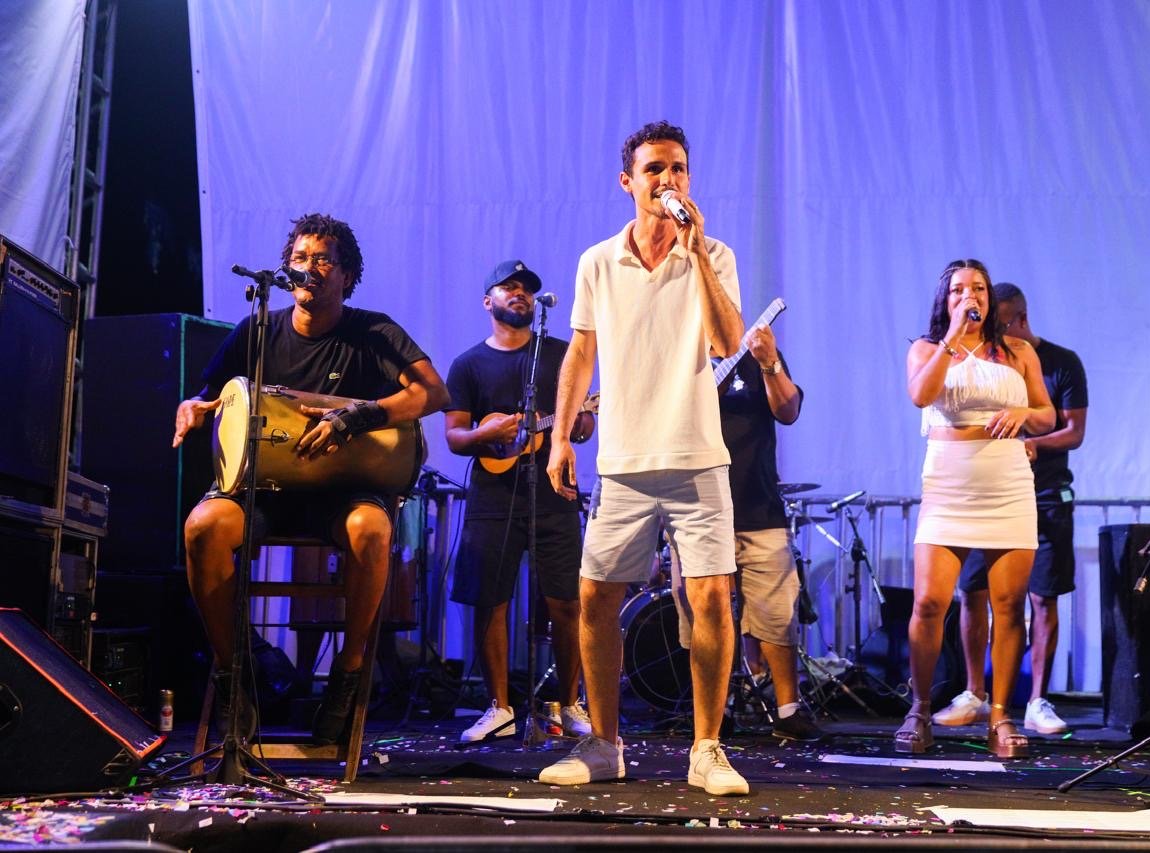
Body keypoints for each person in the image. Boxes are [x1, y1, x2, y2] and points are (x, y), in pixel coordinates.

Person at [172, 213, 450, 745]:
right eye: (300, 258)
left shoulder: (373, 332)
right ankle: (234, 678)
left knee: (372, 530)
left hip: (343, 491)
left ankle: (347, 676)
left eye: (323, 259)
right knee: (203, 527)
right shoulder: (258, 329)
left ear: (348, 275)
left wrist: (359, 416)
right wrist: (192, 406)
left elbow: (434, 394)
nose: (310, 268)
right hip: (265, 489)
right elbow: (206, 395)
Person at [536, 120, 749, 795]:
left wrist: (697, 253)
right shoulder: (598, 261)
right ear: (627, 181)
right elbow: (581, 352)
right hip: (624, 460)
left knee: (711, 596)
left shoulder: (714, 253)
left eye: (678, 168)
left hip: (696, 455)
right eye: (655, 169)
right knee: (595, 595)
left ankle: (707, 749)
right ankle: (604, 744)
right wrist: (560, 436)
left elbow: (728, 343)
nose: (668, 180)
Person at [899, 259, 1055, 759]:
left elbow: (1048, 414)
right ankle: (920, 709)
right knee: (929, 602)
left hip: (1007, 484)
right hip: (948, 484)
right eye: (960, 289)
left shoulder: (1018, 351)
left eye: (980, 288)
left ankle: (1000, 715)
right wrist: (952, 338)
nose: (972, 296)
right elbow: (921, 395)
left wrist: (1024, 412)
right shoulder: (926, 349)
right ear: (945, 299)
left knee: (1008, 606)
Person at [444, 259, 595, 743]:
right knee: (490, 600)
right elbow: (454, 435)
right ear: (487, 301)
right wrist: (484, 434)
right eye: (508, 287)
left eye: (526, 288)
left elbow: (584, 424)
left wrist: (580, 422)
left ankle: (569, 705)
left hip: (555, 491)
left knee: (566, 600)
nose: (520, 294)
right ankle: (499, 707)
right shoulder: (468, 364)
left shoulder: (561, 353)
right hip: (492, 496)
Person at [931, 283, 1088, 735]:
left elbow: (1072, 430)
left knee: (1041, 595)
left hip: (1044, 494)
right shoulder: (979, 355)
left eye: (997, 323)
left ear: (1019, 319)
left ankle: (1037, 700)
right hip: (986, 492)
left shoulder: (1060, 362)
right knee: (972, 590)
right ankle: (974, 693)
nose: (989, 332)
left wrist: (1032, 440)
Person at [669, 323, 823, 742]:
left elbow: (788, 411)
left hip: (759, 507)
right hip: (694, 511)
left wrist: (769, 362)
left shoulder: (755, 354)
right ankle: (712, 712)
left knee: (777, 612)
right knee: (701, 614)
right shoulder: (678, 352)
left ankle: (788, 709)